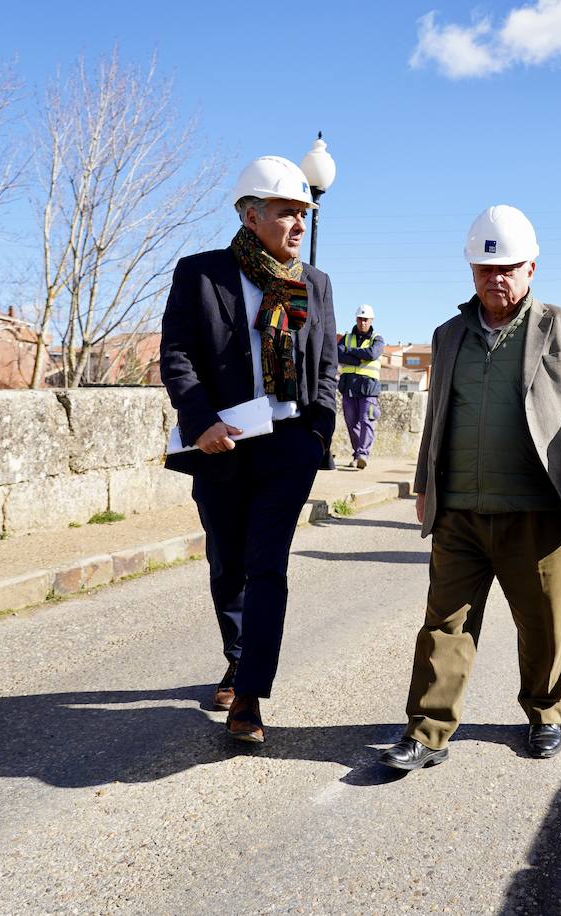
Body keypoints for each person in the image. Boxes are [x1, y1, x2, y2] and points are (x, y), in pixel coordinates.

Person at [380, 204, 561, 771]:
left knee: (543, 622)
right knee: (444, 625)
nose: (496, 278)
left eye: (508, 267)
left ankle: (545, 712)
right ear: (471, 272)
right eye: (485, 269)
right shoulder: (449, 333)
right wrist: (423, 488)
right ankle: (427, 730)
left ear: (531, 268)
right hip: (459, 508)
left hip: (536, 508)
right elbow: (436, 417)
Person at [159, 155, 339, 743]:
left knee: (268, 567)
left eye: (304, 215)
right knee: (226, 563)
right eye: (287, 213)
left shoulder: (314, 284)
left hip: (289, 444)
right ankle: (237, 656)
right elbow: (177, 355)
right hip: (221, 444)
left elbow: (329, 370)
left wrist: (317, 435)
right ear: (250, 214)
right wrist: (201, 421)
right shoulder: (200, 274)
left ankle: (251, 697)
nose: (298, 225)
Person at [337, 303, 384, 469]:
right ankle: (358, 453)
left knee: (366, 421)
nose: (363, 322)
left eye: (366, 319)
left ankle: (363, 454)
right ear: (356, 319)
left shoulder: (377, 339)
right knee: (351, 423)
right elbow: (338, 354)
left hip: (368, 387)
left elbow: (372, 353)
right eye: (360, 319)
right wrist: (359, 357)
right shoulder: (347, 337)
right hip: (349, 386)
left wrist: (351, 351)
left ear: (371, 320)